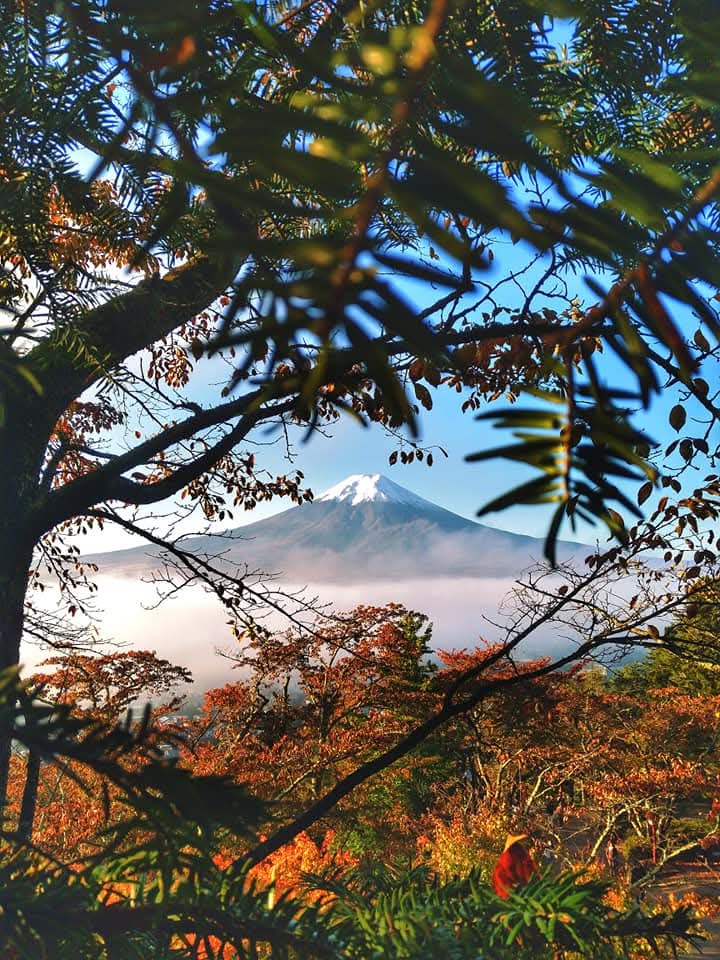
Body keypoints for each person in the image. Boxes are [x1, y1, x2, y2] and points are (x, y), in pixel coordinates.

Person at [492, 833, 537, 898]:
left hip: (523, 891)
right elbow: (509, 872)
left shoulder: (521, 855)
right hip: (511, 893)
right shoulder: (509, 856)